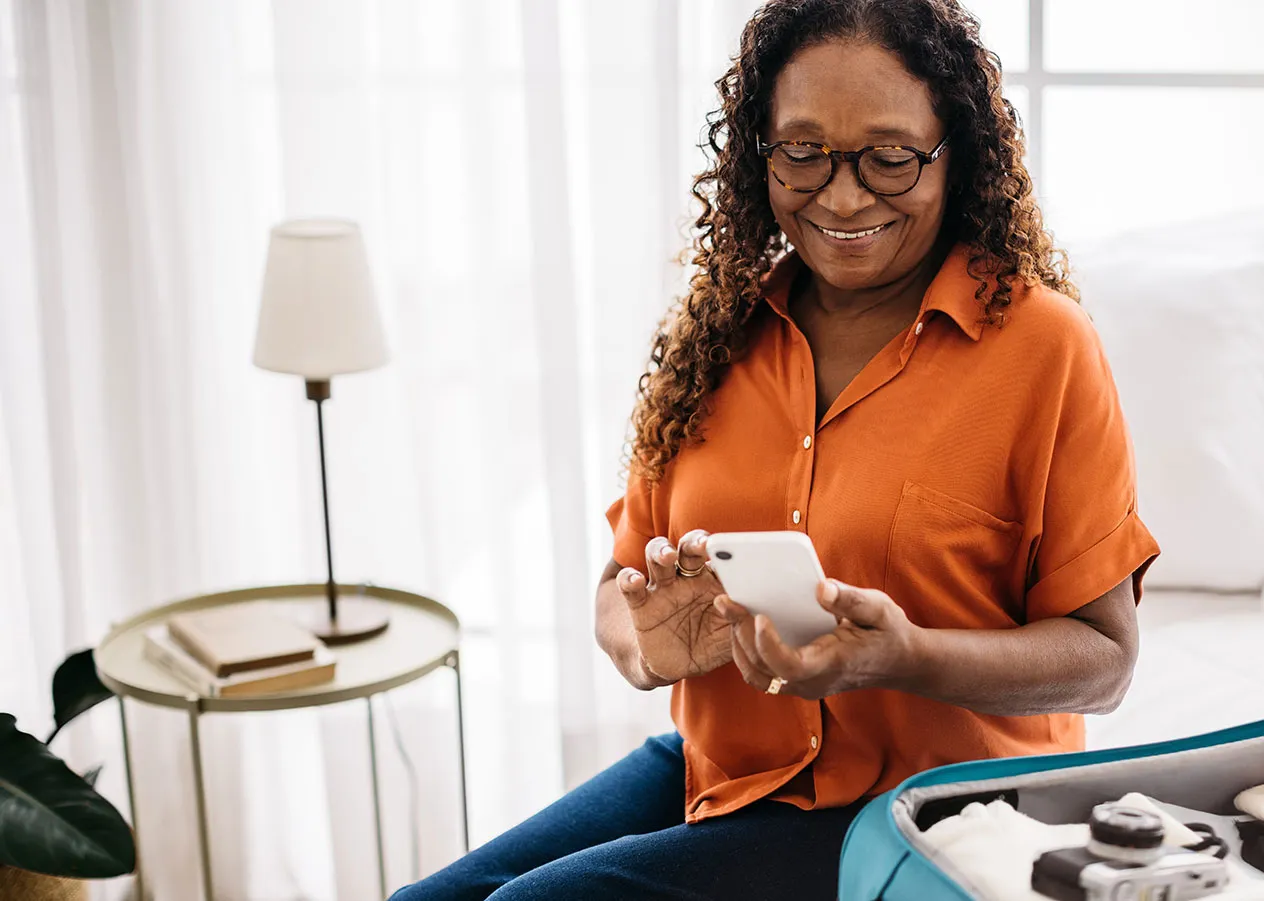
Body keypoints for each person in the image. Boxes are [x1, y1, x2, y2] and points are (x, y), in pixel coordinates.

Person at [392, 0, 1157, 897]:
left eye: (888, 156)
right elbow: (619, 586)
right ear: (760, 154)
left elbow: (1104, 661)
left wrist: (904, 654)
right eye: (803, 151)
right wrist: (649, 647)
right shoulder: (712, 333)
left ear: (957, 153)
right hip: (725, 768)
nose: (841, 194)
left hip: (936, 809)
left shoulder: (1043, 346)